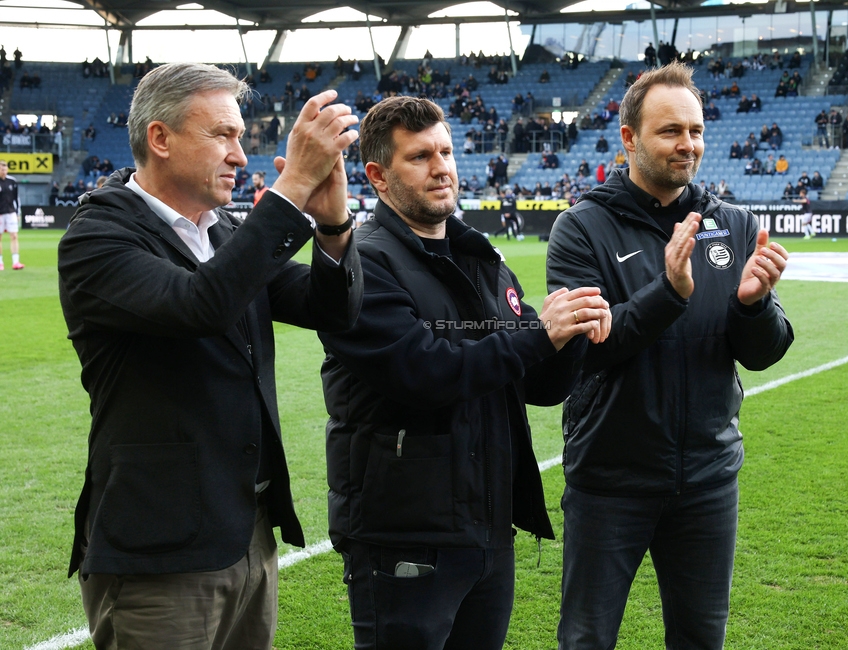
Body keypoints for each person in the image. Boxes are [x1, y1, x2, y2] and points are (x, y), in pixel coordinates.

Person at [58, 63, 364, 650]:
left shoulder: (220, 232)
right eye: (221, 135)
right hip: (161, 550)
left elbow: (333, 309)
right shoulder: (99, 235)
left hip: (246, 532)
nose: (240, 156)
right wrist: (291, 188)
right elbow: (201, 305)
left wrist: (332, 225)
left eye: (240, 138)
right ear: (160, 138)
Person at [318, 96, 611, 650]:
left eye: (447, 151)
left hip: (487, 528)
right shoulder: (361, 265)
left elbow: (537, 386)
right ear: (378, 176)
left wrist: (572, 337)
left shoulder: (482, 258)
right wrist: (538, 335)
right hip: (405, 534)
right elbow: (424, 372)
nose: (442, 167)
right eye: (420, 156)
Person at [546, 61, 793, 650]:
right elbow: (586, 353)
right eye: (670, 131)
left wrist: (755, 308)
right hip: (611, 480)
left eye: (696, 130)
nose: (689, 144)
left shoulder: (731, 224)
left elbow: (762, 354)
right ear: (629, 138)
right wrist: (670, 294)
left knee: (701, 638)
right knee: (586, 638)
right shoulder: (582, 230)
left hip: (707, 480)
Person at [0, 160, 23, 270]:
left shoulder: (12, 181)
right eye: (1, 169)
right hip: (0, 214)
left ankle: (16, 262)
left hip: (11, 212)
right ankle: (0, 262)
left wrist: (18, 212)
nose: (3, 171)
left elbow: (16, 198)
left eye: (5, 169)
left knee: (14, 236)